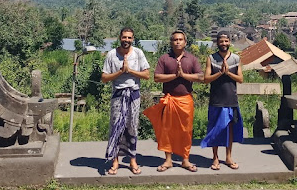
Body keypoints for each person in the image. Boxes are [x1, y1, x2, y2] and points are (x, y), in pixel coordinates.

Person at [143, 30, 203, 172]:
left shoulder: (191, 59)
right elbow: (157, 78)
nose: (177, 42)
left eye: (180, 39)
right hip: (169, 99)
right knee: (167, 131)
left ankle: (185, 160)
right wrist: (175, 76)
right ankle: (168, 160)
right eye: (175, 39)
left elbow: (201, 77)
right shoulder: (165, 59)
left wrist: (183, 75)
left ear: (185, 42)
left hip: (185, 100)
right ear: (171, 42)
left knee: (186, 131)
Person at [101, 27, 150, 175]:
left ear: (133, 39)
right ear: (119, 38)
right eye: (124, 37)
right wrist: (120, 72)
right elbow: (104, 78)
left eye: (129, 38)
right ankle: (115, 161)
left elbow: (147, 74)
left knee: (132, 127)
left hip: (134, 95)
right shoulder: (112, 54)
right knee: (116, 127)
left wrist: (130, 71)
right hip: (118, 95)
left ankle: (132, 160)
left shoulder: (138, 53)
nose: (126, 40)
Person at [201, 30, 244, 170]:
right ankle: (215, 158)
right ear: (217, 43)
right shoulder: (211, 58)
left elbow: (240, 79)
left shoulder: (236, 59)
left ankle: (228, 157)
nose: (224, 44)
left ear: (230, 42)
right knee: (215, 129)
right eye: (221, 41)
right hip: (216, 99)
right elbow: (206, 79)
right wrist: (220, 73)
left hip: (231, 98)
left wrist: (228, 73)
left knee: (229, 129)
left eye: (226, 41)